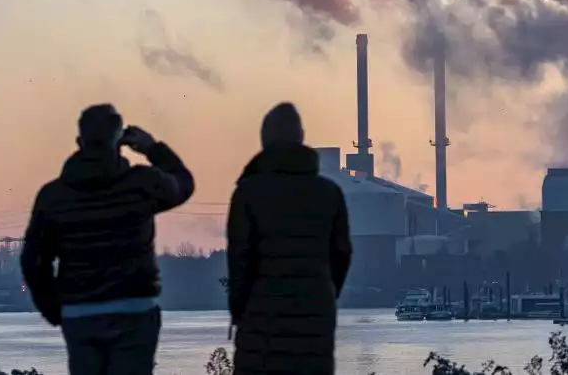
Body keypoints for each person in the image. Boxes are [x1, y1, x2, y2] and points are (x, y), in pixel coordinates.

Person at [21, 103, 195, 375]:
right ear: (121, 141)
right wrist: (152, 148)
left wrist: (55, 310)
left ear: (79, 142)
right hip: (133, 310)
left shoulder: (54, 197)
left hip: (79, 313)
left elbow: (33, 260)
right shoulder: (142, 184)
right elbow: (183, 184)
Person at [226, 102, 353, 375]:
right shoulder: (329, 194)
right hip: (314, 322)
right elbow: (342, 255)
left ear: (264, 140)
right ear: (302, 136)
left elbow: (239, 261)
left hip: (262, 323)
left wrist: (240, 311)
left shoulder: (248, 193)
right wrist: (324, 295)